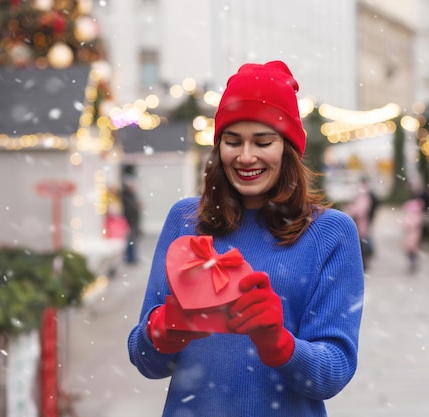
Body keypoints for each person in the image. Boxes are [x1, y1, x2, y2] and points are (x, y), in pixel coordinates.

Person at [127, 60, 364, 416]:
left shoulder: (331, 233)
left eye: (263, 141)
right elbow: (146, 361)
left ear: (287, 148)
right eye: (232, 141)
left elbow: (335, 371)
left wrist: (279, 342)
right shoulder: (185, 220)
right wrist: (162, 331)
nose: (246, 156)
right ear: (218, 147)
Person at [342, 176, 378, 270]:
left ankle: (365, 259)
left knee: (363, 241)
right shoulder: (364, 195)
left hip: (361, 222)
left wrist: (350, 210)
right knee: (363, 240)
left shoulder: (363, 196)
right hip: (362, 222)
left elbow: (360, 211)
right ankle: (366, 259)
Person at [402, 190, 425, 273]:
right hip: (411, 234)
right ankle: (412, 261)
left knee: (412, 248)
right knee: (410, 248)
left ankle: (412, 262)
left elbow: (409, 222)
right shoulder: (416, 213)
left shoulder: (415, 214)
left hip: (413, 234)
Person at [121, 175, 141, 264]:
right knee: (130, 240)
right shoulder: (125, 197)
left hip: (132, 221)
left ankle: (132, 257)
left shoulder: (131, 196)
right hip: (129, 221)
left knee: (132, 240)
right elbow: (128, 210)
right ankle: (130, 258)